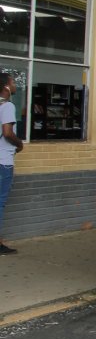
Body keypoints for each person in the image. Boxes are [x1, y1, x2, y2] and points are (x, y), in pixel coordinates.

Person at [0, 72, 23, 255]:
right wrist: (19, 143)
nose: (15, 85)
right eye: (13, 82)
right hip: (3, 162)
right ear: (6, 86)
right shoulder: (7, 106)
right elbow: (7, 132)